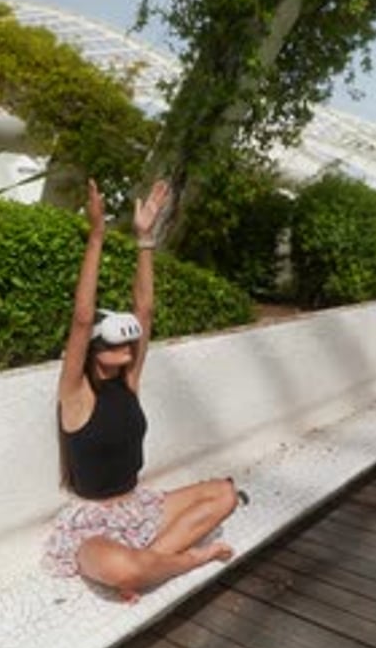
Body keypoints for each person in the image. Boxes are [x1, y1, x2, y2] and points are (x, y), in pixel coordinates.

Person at [42, 178, 247, 599]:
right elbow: (82, 318)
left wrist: (145, 239)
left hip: (138, 507)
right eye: (115, 345)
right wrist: (96, 234)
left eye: (128, 344)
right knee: (118, 569)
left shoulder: (128, 382)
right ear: (96, 350)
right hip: (94, 522)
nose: (126, 351)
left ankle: (151, 564)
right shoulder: (76, 394)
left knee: (225, 494)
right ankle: (184, 560)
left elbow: (145, 309)